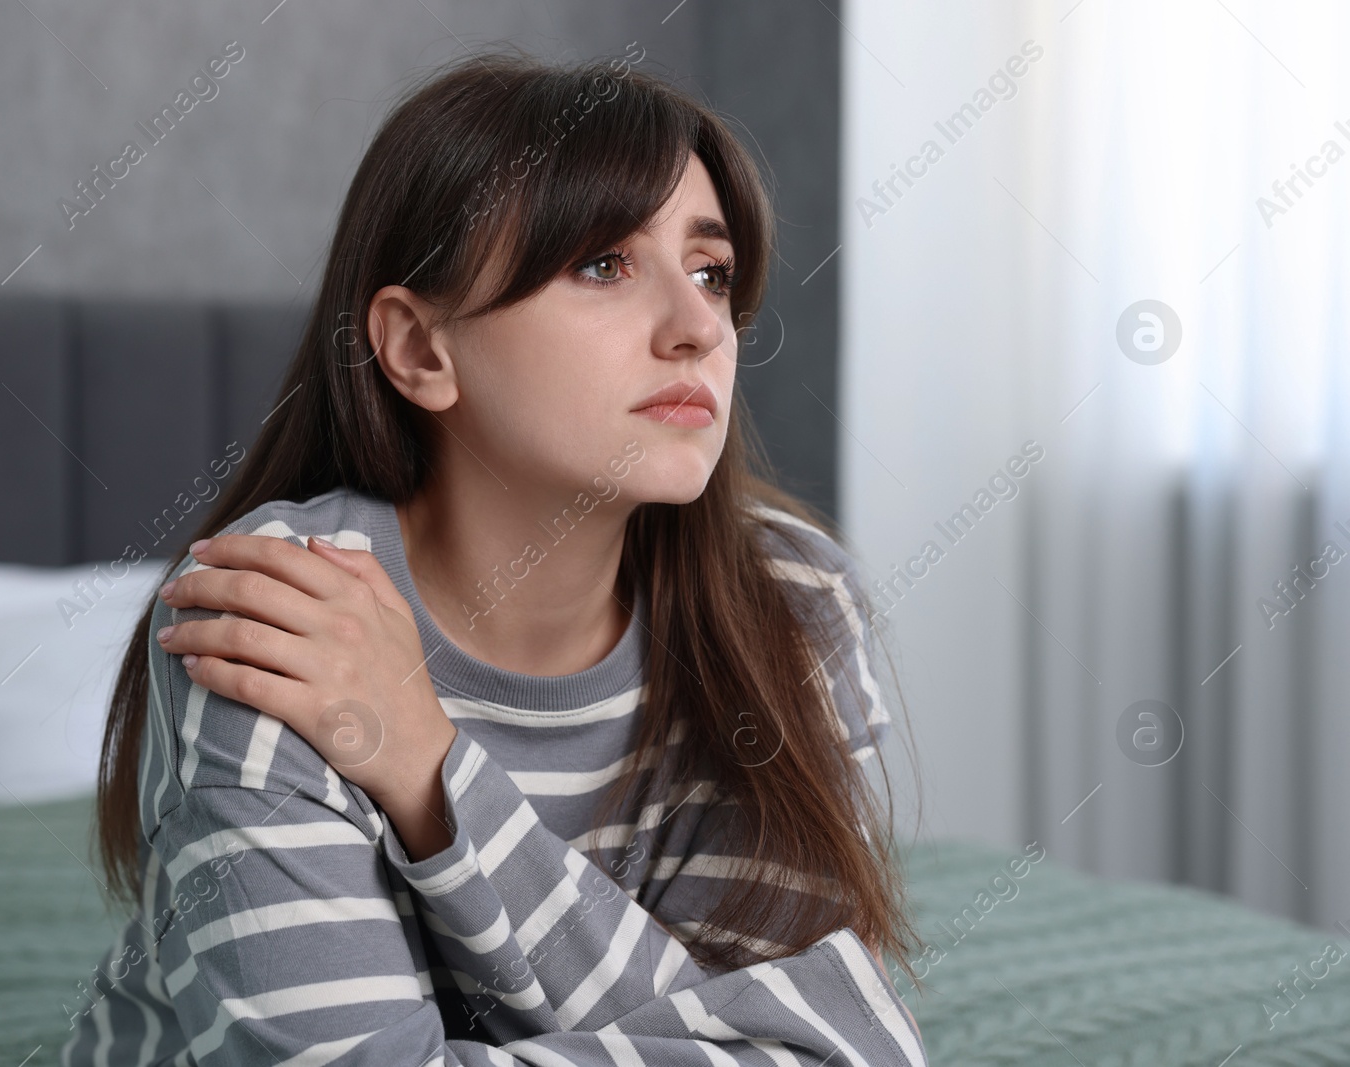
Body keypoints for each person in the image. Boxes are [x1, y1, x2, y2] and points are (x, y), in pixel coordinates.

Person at [66, 47, 926, 1066]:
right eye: (603, 263)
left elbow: (814, 1046)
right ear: (422, 349)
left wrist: (432, 767)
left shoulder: (794, 600)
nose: (700, 326)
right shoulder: (284, 603)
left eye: (711, 270)